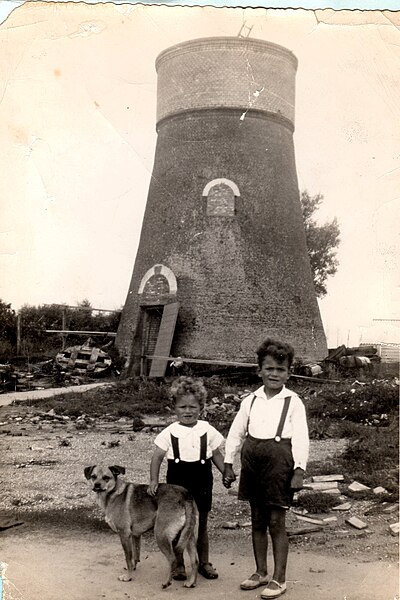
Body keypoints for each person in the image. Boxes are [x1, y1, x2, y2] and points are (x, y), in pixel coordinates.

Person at [223, 338, 309, 599]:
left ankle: (279, 578)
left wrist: (299, 470)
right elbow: (236, 433)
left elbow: (302, 438)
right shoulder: (250, 401)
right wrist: (228, 462)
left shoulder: (293, 402)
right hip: (253, 464)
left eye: (280, 370)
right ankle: (260, 572)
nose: (274, 374)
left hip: (279, 465)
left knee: (276, 522)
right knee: (257, 520)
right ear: (259, 370)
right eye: (269, 369)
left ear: (289, 373)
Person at [148, 376, 225, 580]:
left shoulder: (207, 429)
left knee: (201, 524)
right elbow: (156, 458)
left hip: (202, 479)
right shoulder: (169, 432)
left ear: (201, 406)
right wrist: (154, 481)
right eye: (183, 406)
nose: (188, 411)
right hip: (176, 481)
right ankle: (179, 564)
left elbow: (216, 453)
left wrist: (226, 471)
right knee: (178, 524)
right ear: (174, 407)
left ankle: (204, 562)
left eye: (193, 406)